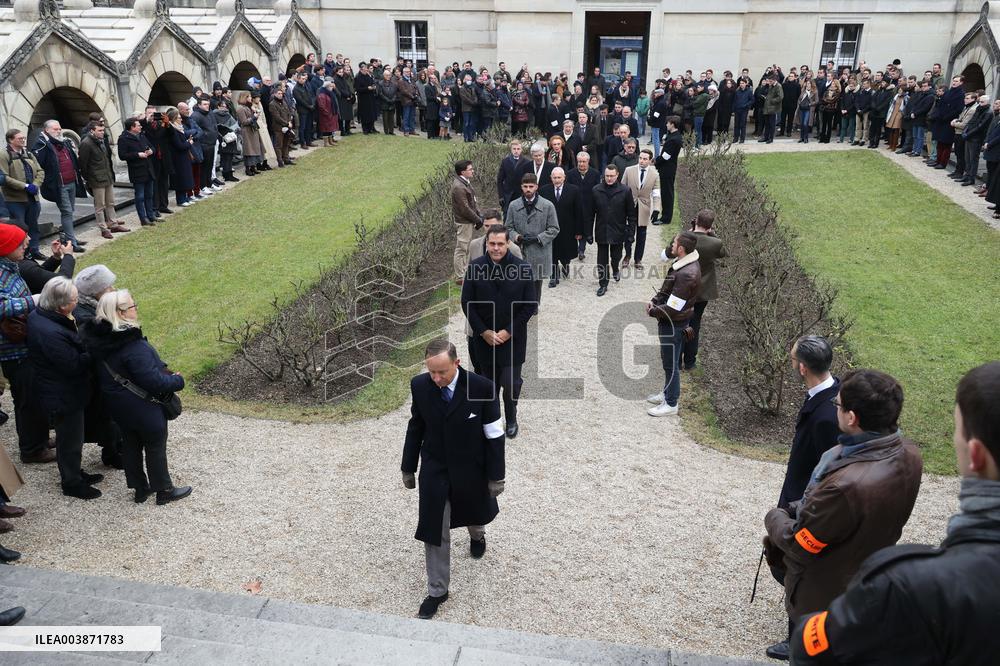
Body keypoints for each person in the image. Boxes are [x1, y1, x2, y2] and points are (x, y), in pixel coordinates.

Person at [789, 361, 1000, 665]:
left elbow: (809, 648)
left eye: (957, 432)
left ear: (976, 455)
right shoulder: (910, 454)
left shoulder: (908, 586)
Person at [763, 369, 923, 662]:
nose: (834, 407)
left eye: (837, 404)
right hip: (866, 573)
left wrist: (774, 517)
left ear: (852, 418)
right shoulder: (910, 454)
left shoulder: (845, 487)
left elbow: (802, 543)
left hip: (823, 592)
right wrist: (806, 506)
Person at [400, 339, 505, 620]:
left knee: (473, 511)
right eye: (431, 372)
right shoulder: (420, 386)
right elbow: (416, 426)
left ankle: (478, 535)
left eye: (442, 372)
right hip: (435, 468)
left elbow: (494, 435)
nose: (436, 379)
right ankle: (438, 590)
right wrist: (408, 467)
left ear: (456, 363)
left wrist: (497, 476)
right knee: (435, 527)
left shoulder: (483, 388)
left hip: (472, 467)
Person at [762, 335, 841, 660]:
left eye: (794, 359)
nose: (792, 363)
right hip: (800, 494)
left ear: (803, 367)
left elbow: (828, 469)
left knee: (798, 568)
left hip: (805, 503)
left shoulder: (825, 414)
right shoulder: (829, 395)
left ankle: (801, 640)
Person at [83, 289, 190, 505]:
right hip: (142, 406)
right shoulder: (133, 346)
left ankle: (140, 489)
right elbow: (154, 381)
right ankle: (164, 490)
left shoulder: (98, 342)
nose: (136, 309)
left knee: (131, 444)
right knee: (155, 445)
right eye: (133, 306)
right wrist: (178, 381)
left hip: (118, 405)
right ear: (121, 313)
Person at [26, 277, 104, 499]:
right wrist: (95, 351)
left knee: (70, 437)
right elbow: (72, 365)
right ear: (61, 306)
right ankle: (72, 483)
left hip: (59, 388)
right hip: (63, 393)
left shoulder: (40, 316)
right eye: (75, 299)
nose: (78, 302)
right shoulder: (52, 333)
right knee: (70, 439)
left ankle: (75, 473)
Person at [461, 226, 537, 439]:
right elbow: (467, 302)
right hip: (484, 340)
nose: (495, 248)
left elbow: (529, 305)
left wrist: (509, 331)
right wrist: (483, 331)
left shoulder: (522, 268)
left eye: (500, 244)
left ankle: (511, 417)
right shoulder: (475, 268)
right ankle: (491, 420)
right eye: (492, 243)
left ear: (507, 244)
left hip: (513, 339)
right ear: (486, 243)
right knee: (489, 384)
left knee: (511, 382)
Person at [0, 224, 54, 464]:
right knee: (27, 400)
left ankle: (40, 438)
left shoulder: (9, 267)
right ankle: (32, 449)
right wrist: (33, 300)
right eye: (19, 242)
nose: (26, 244)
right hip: (14, 350)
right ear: (5, 248)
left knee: (35, 395)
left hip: (25, 344)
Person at [646, 231, 701, 417]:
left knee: (671, 364)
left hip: (673, 323)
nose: (671, 245)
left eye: (674, 243)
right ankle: (667, 393)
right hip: (672, 321)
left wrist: (653, 311)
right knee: (668, 362)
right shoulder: (684, 265)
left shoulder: (687, 274)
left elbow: (674, 306)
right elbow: (667, 289)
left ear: (681, 249)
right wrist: (655, 299)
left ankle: (671, 403)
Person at [31, 120, 90, 249]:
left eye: (59, 129)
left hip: (71, 181)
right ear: (47, 130)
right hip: (59, 185)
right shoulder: (41, 144)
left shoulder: (63, 142)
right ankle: (71, 243)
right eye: (55, 129)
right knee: (67, 211)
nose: (59, 131)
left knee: (70, 211)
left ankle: (70, 238)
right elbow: (38, 166)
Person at [680, 210, 727, 370]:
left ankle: (677, 359)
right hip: (702, 290)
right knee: (695, 324)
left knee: (679, 322)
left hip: (684, 287)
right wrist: (712, 234)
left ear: (696, 220)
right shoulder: (715, 243)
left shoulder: (685, 238)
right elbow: (724, 254)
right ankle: (690, 361)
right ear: (710, 226)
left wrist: (690, 231)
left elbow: (671, 250)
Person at [504, 172, 559, 302]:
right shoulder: (513, 205)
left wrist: (538, 238)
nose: (528, 189)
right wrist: (517, 237)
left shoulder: (547, 206)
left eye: (531, 186)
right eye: (525, 186)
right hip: (519, 249)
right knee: (518, 278)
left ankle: (534, 303)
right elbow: (508, 227)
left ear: (536, 187)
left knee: (536, 280)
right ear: (521, 187)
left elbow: (554, 228)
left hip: (539, 250)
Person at [1, 129, 48, 258]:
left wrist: (35, 185)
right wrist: (25, 186)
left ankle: (35, 250)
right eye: (19, 138)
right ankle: (22, 255)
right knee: (20, 228)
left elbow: (40, 171)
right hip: (15, 200)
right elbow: (4, 178)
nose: (23, 140)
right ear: (11, 140)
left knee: (33, 226)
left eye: (23, 138)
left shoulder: (28, 153)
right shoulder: (4, 155)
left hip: (32, 198)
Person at [591, 164, 635, 297]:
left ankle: (615, 268)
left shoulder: (625, 191)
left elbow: (631, 214)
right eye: (607, 176)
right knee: (601, 260)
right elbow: (590, 213)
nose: (609, 178)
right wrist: (588, 232)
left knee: (616, 256)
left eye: (612, 176)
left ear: (617, 176)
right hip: (602, 229)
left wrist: (631, 233)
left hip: (618, 229)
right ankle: (603, 283)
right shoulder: (596, 190)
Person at [538, 167, 582, 287]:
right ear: (551, 178)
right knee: (552, 253)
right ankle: (554, 276)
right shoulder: (544, 190)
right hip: (550, 227)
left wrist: (579, 230)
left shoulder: (574, 190)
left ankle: (566, 264)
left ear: (564, 178)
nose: (557, 180)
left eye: (559, 177)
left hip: (568, 227)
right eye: (554, 178)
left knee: (565, 252)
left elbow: (578, 211)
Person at [620, 149, 660, 270]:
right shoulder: (629, 170)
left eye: (645, 159)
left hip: (644, 207)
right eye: (641, 158)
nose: (642, 161)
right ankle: (627, 256)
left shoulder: (655, 174)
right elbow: (622, 188)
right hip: (629, 206)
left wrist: (656, 209)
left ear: (650, 161)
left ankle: (638, 259)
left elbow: (656, 193)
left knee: (641, 234)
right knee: (628, 233)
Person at [117, 116, 158, 226]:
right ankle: (143, 218)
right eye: (138, 125)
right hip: (137, 171)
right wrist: (137, 155)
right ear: (132, 127)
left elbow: (152, 147)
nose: (140, 126)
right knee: (140, 196)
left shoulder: (142, 135)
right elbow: (122, 155)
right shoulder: (123, 139)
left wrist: (151, 151)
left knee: (149, 194)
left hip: (148, 169)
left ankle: (151, 215)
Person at [451, 160, 483, 283]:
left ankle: (464, 271)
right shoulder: (459, 187)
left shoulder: (465, 183)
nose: (473, 170)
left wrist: (479, 215)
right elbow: (464, 208)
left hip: (468, 221)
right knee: (462, 248)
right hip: (464, 222)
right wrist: (477, 219)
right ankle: (460, 276)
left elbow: (472, 202)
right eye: (470, 169)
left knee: (466, 247)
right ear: (463, 172)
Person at [566, 150, 599, 261]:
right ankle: (575, 247)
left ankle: (581, 249)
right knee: (575, 226)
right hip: (574, 205)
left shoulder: (595, 174)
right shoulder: (570, 174)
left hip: (589, 205)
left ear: (588, 162)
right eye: (579, 161)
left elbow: (597, 190)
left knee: (586, 226)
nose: (581, 164)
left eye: (584, 161)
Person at [654, 116, 682, 225]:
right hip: (667, 168)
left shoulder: (674, 139)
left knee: (667, 193)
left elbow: (666, 156)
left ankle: (666, 218)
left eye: (668, 123)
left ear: (673, 124)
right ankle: (665, 215)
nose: (666, 125)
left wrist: (656, 161)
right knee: (666, 192)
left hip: (668, 169)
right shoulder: (672, 136)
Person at [496, 139, 527, 212]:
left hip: (520, 193)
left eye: (518, 149)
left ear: (521, 149)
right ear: (511, 149)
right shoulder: (505, 161)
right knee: (507, 215)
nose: (516, 151)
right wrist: (501, 196)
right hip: (508, 194)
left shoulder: (526, 162)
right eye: (514, 149)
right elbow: (500, 180)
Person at [269, 86, 297, 167]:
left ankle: (286, 159)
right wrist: (286, 123)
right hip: (278, 128)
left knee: (286, 143)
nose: (281, 95)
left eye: (281, 93)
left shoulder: (283, 102)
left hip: (287, 126)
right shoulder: (272, 104)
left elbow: (288, 112)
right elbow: (276, 117)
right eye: (279, 93)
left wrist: (289, 121)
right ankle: (280, 161)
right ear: (275, 94)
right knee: (279, 145)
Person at [376, 69, 398, 135]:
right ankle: (386, 132)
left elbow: (395, 93)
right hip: (384, 103)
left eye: (389, 75)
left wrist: (393, 99)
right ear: (384, 76)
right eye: (387, 75)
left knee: (391, 118)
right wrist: (387, 100)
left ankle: (391, 131)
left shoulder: (393, 83)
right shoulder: (380, 83)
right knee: (385, 119)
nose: (389, 76)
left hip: (392, 103)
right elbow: (380, 93)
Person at [733, 79, 754, 143]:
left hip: (744, 110)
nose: (741, 84)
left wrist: (746, 105)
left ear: (745, 84)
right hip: (737, 110)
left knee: (742, 124)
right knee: (736, 124)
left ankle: (742, 138)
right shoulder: (737, 91)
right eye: (740, 83)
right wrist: (734, 109)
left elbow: (752, 100)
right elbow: (734, 100)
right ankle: (736, 138)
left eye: (742, 83)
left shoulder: (749, 91)